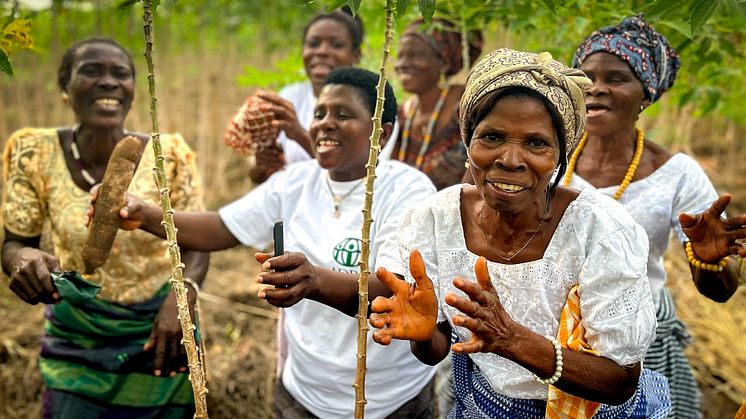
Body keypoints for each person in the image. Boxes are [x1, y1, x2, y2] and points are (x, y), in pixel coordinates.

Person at [93, 68, 438, 418]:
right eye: (319, 114)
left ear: (384, 131)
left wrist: (314, 281)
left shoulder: (409, 190)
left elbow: (396, 293)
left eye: (344, 114)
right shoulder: (295, 182)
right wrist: (146, 215)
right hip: (302, 394)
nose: (324, 124)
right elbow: (219, 228)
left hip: (388, 400)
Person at [368, 48, 673, 417]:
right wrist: (424, 336)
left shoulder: (600, 231)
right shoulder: (435, 220)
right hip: (480, 406)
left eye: (536, 143)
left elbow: (620, 381)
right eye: (492, 137)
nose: (511, 160)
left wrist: (512, 339)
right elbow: (436, 348)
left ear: (561, 155)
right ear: (468, 143)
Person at [1, 38, 208, 418]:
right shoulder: (34, 152)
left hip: (160, 331)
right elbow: (15, 244)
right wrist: (22, 257)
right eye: (92, 71)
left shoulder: (169, 154)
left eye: (121, 74)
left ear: (133, 89)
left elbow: (197, 244)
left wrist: (182, 302)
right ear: (65, 88)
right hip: (76, 331)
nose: (109, 82)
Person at [568, 15, 746, 418]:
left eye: (615, 78)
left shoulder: (677, 174)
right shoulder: (549, 156)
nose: (596, 88)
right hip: (554, 340)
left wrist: (710, 260)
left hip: (638, 342)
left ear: (646, 94)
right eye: (586, 77)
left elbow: (720, 290)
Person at [245, 7, 364, 184]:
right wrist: (264, 163)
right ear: (303, 51)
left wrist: (299, 134)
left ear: (356, 55)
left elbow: (361, 175)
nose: (322, 51)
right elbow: (259, 177)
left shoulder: (372, 105)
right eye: (313, 43)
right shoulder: (290, 96)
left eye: (336, 45)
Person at [391, 19, 482, 190]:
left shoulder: (466, 105)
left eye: (414, 55)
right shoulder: (401, 114)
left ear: (444, 61)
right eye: (400, 56)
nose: (401, 65)